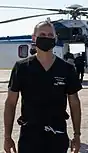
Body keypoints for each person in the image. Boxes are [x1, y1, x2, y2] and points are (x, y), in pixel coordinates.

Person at [3, 20, 82, 153]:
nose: (47, 38)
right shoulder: (21, 68)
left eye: (50, 35)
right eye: (43, 34)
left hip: (57, 135)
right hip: (30, 137)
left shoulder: (66, 69)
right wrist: (7, 136)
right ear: (34, 38)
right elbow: (11, 103)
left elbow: (74, 103)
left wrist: (77, 135)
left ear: (55, 39)